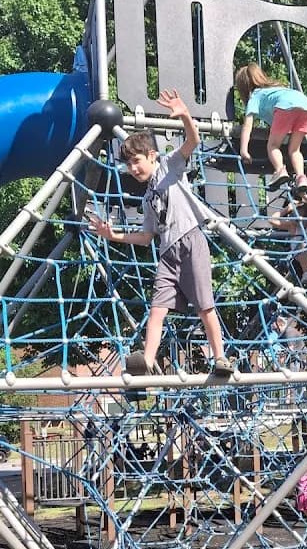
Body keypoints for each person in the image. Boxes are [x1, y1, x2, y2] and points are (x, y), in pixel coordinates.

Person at [86, 88, 232, 379]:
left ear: (152, 156)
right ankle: (147, 361)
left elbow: (193, 141)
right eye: (128, 164)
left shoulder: (168, 167)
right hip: (166, 254)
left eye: (137, 161)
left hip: (190, 240)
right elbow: (146, 237)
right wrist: (112, 236)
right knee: (157, 310)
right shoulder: (147, 198)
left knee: (205, 305)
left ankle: (220, 357)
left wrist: (185, 116)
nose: (133, 167)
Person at [235, 63, 307, 194]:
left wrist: (244, 150)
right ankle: (301, 177)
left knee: (273, 146)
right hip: (305, 104)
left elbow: (247, 125)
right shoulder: (276, 89)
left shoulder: (255, 95)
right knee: (295, 150)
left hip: (284, 107)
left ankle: (279, 170)